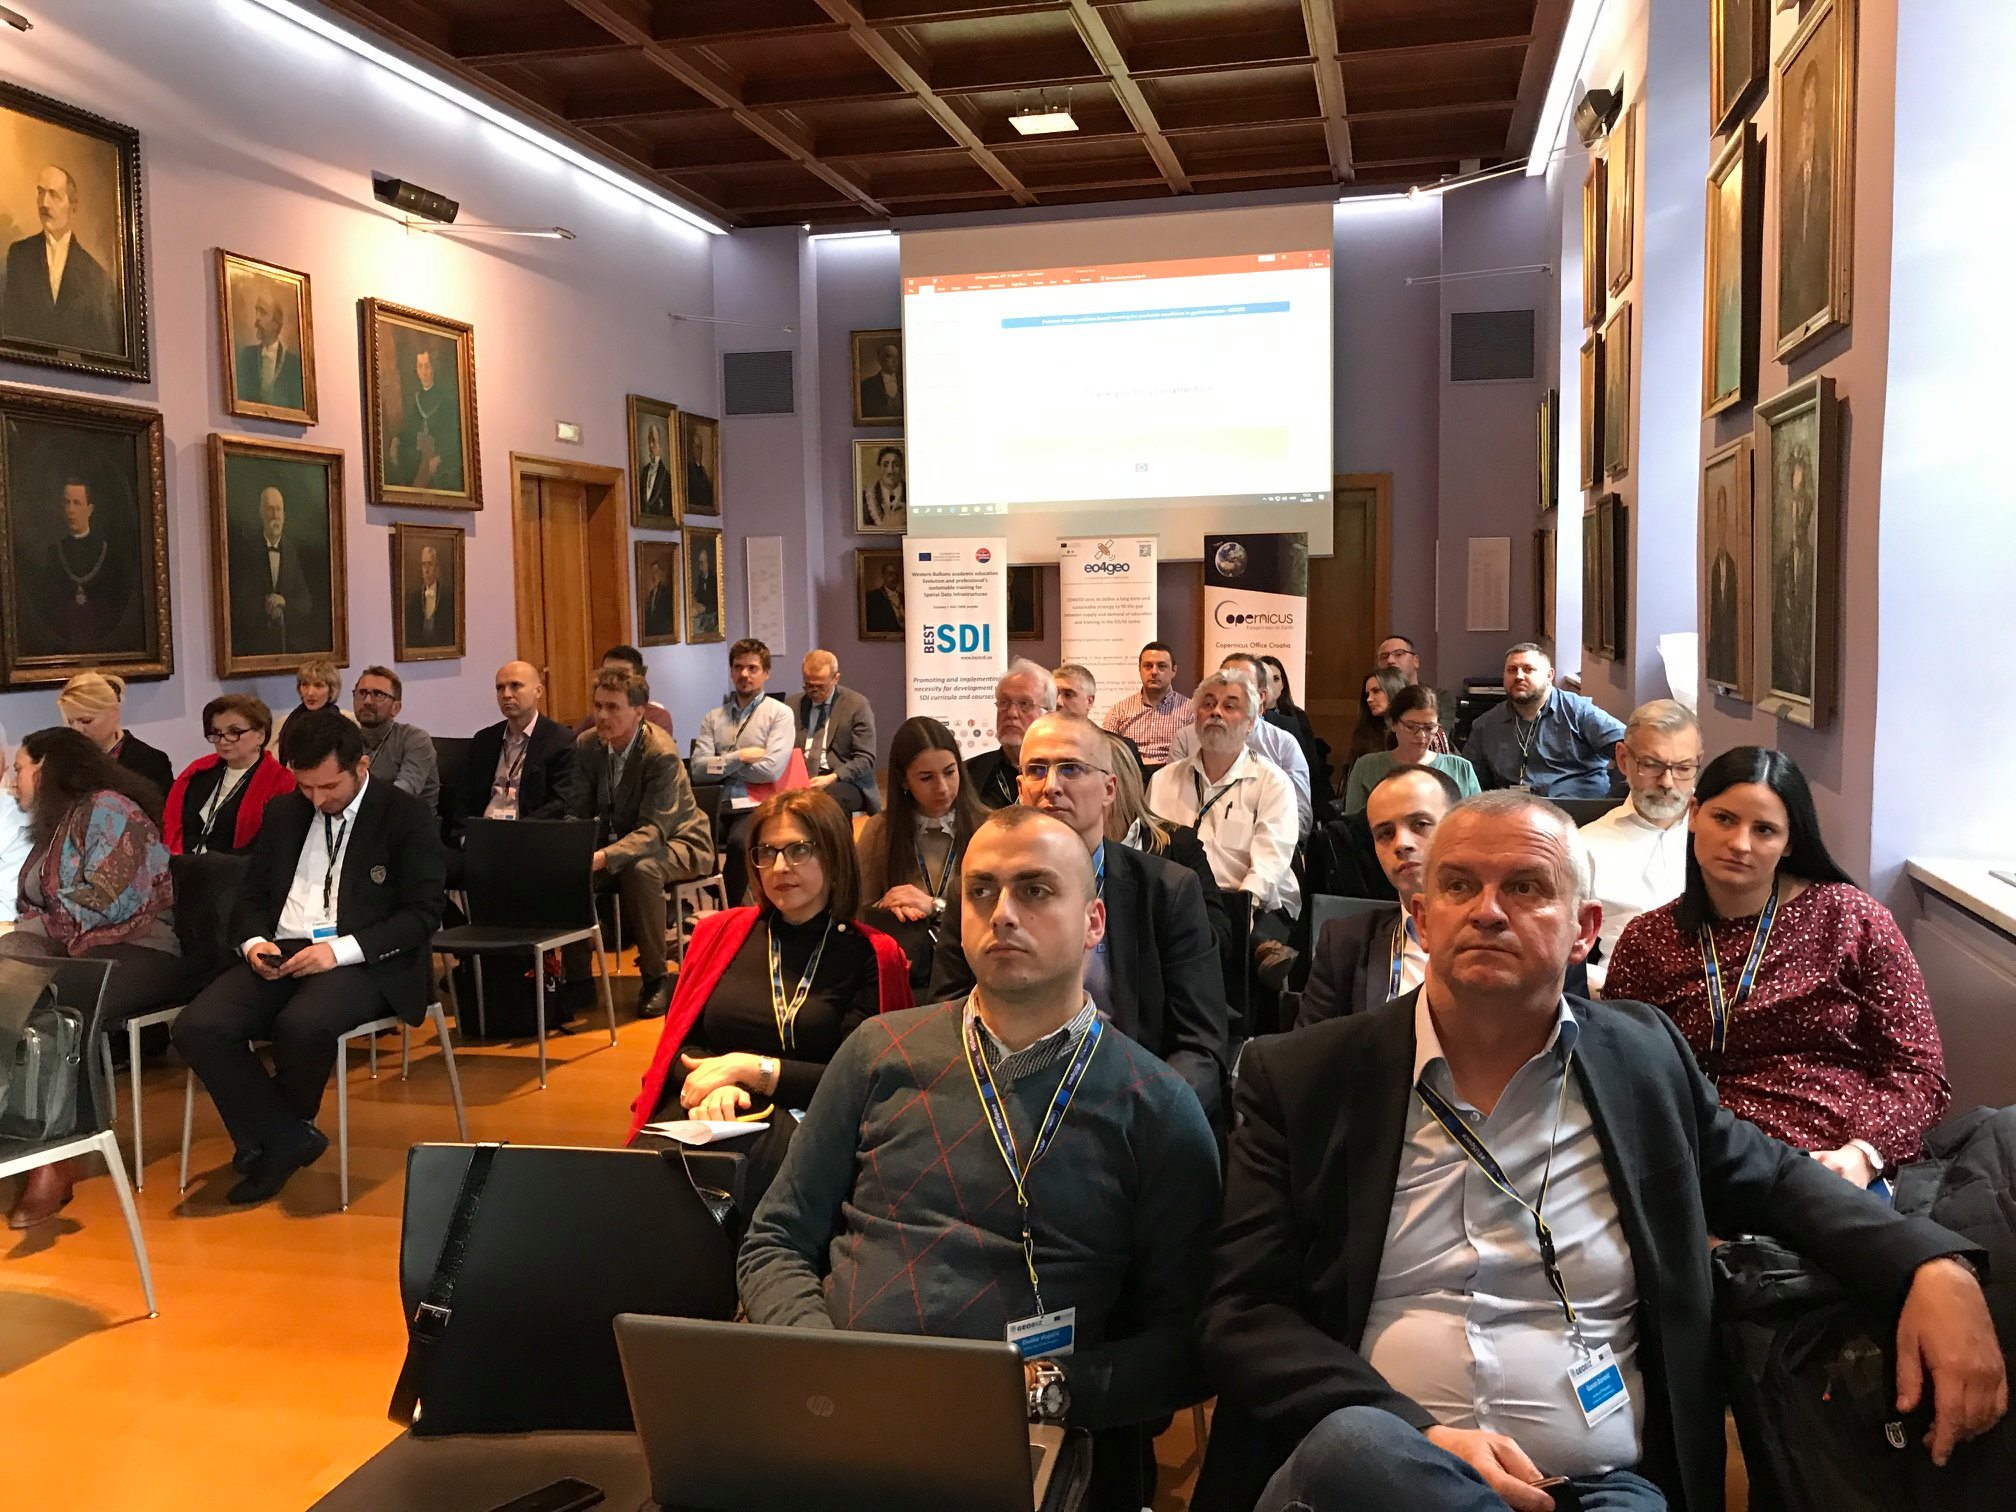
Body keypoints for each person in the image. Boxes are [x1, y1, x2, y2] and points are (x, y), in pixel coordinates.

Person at [1196, 791, 2006, 1512]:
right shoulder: (1304, 1076)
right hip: (1384, 1472)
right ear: (1421, 918)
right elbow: (1241, 1315)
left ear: (1585, 930)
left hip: (1600, 1483)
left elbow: (1772, 1179)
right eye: (1459, 886)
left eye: (1526, 887)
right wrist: (1419, 1434)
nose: (1487, 911)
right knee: (1357, 1448)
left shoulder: (1640, 1058)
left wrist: (1928, 1264)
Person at [739, 807, 1222, 1511]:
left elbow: (1190, 1341)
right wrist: (825, 1361)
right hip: (843, 1417)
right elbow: (776, 1240)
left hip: (1022, 1434)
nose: (1002, 914)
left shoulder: (1156, 1105)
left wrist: (1044, 1393)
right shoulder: (878, 1053)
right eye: (981, 891)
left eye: (1035, 890)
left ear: (1094, 922)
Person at [1603, 748, 1950, 1184]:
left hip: (1829, 1164)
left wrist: (1864, 1154)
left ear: (1789, 843)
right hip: (1698, 1161)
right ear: (1693, 814)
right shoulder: (1649, 940)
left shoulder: (1852, 920)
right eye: (1724, 819)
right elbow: (1614, 1072)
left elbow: (1919, 1071)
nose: (1740, 844)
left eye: (1764, 830)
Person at [171, 711, 446, 1206]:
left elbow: (423, 914)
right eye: (306, 787)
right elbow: (250, 895)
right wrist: (254, 943)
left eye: (329, 786)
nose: (317, 800)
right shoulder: (285, 812)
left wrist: (336, 952)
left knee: (301, 1025)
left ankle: (270, 1138)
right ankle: (286, 1137)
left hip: (362, 956)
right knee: (198, 1027)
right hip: (283, 949)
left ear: (361, 766)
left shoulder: (404, 815)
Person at [932, 713, 1230, 1126]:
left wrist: (1148, 1121)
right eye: (1036, 770)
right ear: (1020, 789)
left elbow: (1199, 1046)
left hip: (1134, 1106)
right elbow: (947, 1015)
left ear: (1109, 789)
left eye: (1071, 768)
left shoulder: (1168, 891)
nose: (1051, 786)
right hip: (1004, 1104)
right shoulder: (978, 888)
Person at [625, 789, 912, 1149]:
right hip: (709, 1105)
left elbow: (859, 1079)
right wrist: (722, 1083)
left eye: (798, 850)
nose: (779, 868)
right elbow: (679, 1046)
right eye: (766, 852)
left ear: (834, 856)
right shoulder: (719, 933)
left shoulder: (871, 954)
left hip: (811, 1119)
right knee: (639, 1171)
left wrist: (748, 1070)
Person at [2, 728, 182, 1228]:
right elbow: (34, 905)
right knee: (9, 972)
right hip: (74, 943)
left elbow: (108, 901)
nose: (13, 781)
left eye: (19, 769)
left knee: (54, 1005)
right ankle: (18, 1134)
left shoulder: (109, 809)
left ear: (47, 768)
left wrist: (33, 926)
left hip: (138, 946)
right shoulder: (56, 819)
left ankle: (56, 1158)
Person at [563, 668, 714, 1022]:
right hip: (619, 843)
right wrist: (571, 848)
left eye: (613, 707)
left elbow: (654, 831)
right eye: (598, 706)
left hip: (680, 840)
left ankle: (656, 978)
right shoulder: (587, 745)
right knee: (568, 870)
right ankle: (579, 979)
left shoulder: (660, 752)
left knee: (641, 869)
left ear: (638, 712)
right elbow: (577, 810)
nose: (602, 716)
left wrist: (602, 857)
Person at [1147, 669, 1300, 936]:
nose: (1216, 712)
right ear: (1196, 718)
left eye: (1229, 706)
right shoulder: (1164, 780)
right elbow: (1148, 849)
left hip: (1250, 902)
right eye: (1207, 704)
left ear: (1250, 723)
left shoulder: (1273, 782)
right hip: (1178, 902)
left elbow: (1271, 859)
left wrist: (1246, 906)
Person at [854, 716, 984, 990]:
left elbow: (996, 910)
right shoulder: (880, 830)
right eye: (926, 778)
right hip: (908, 971)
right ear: (904, 781)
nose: (942, 788)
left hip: (975, 969)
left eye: (950, 772)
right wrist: (888, 908)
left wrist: (935, 906)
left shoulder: (987, 826)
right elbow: (857, 915)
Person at [1579, 700, 1699, 992]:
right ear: (1623, 760)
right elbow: (1559, 947)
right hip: (1624, 997)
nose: (1667, 782)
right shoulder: (1585, 845)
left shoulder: (1722, 837)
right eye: (1651, 765)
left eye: (1683, 767)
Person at [691, 638, 797, 905]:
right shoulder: (713, 717)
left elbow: (770, 770)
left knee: (740, 844)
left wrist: (720, 765)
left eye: (752, 668)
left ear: (766, 672)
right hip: (716, 803)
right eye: (738, 667)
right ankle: (700, 899)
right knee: (687, 839)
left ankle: (726, 908)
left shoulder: (779, 714)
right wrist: (740, 757)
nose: (744, 675)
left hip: (755, 805)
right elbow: (698, 769)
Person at [1167, 652, 1313, 835]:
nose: (1230, 686)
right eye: (1223, 679)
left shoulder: (1283, 745)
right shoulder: (1185, 739)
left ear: (1261, 697)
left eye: (1242, 683)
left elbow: (1300, 817)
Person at [1465, 642, 1626, 798]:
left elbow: (1629, 748)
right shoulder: (1486, 725)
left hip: (1577, 810)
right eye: (1512, 670)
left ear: (1549, 675)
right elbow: (1470, 781)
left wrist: (1613, 800)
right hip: (1516, 810)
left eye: (1528, 669)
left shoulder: (1579, 712)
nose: (1519, 676)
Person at [1, 164, 118, 353]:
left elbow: (104, 349)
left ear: (73, 208)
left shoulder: (96, 277)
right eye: (41, 192)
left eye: (54, 195)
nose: (44, 203)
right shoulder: (19, 255)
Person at [163, 695, 294, 856]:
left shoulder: (281, 781)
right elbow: (173, 828)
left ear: (260, 735)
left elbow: (271, 846)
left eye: (234, 732)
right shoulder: (198, 771)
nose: (223, 741)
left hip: (238, 868)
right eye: (216, 733)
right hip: (184, 865)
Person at [454, 661, 575, 834]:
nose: (506, 694)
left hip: (528, 834)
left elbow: (560, 803)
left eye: (515, 686)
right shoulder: (484, 740)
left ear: (538, 691)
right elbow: (464, 798)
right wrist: (464, 836)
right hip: (484, 833)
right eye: (500, 688)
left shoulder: (560, 740)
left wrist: (515, 834)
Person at [1343, 686, 1480, 812]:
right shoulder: (1366, 767)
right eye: (1410, 727)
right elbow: (1354, 823)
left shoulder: (1460, 768)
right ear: (1393, 724)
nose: (1421, 736)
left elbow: (1476, 820)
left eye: (1429, 728)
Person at [38, 476, 131, 651]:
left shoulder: (108, 553)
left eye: (77, 503)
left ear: (89, 509)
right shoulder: (54, 553)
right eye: (67, 503)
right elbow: (47, 605)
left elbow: (116, 603)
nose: (71, 510)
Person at [787, 650, 881, 816]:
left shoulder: (856, 705)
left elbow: (865, 759)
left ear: (836, 678)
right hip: (802, 777)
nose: (814, 691)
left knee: (829, 800)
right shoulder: (792, 705)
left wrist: (832, 777)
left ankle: (838, 836)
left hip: (844, 779)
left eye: (821, 687)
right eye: (808, 685)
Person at [230, 483, 316, 657]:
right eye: (270, 509)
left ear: (284, 515)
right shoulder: (247, 552)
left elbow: (305, 604)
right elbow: (238, 604)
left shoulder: (292, 553)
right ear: (261, 512)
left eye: (279, 510)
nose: (275, 515)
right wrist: (266, 606)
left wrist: (284, 602)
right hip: (254, 648)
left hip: (289, 647)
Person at [57, 671, 171, 798]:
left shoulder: (151, 763)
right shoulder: (67, 765)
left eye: (86, 721)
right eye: (70, 722)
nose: (77, 729)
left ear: (114, 712)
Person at [965, 659, 1054, 810]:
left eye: (1025, 704)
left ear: (1048, 715)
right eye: (1004, 702)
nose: (1012, 713)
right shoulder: (969, 773)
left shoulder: (1064, 774)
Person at [351, 666, 439, 810]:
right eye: (362, 693)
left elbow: (402, 793)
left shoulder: (416, 739)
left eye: (378, 694)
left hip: (408, 819)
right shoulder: (348, 737)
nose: (367, 701)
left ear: (396, 707)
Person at [1101, 640, 1192, 770]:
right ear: (1139, 669)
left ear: (1174, 670)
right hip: (1132, 775)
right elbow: (1105, 750)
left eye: (1161, 666)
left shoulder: (1190, 711)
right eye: (1148, 666)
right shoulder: (1119, 711)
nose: (1154, 672)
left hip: (1173, 776)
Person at [1256, 653, 1333, 795]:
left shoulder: (1297, 717)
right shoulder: (1246, 716)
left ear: (1283, 684)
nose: (1270, 684)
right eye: (1265, 679)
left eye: (1276, 679)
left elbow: (1309, 764)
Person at [393, 346, 462, 492]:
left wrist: (440, 458)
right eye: (420, 367)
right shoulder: (417, 398)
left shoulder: (445, 398)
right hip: (420, 455)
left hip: (441, 459)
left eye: (427, 366)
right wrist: (396, 440)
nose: (424, 372)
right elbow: (410, 429)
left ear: (433, 368)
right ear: (416, 371)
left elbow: (454, 438)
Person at [1374, 634, 1455, 753]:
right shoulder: (1375, 699)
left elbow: (1433, 740)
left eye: (1398, 654)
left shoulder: (1440, 697)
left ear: (1415, 661)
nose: (1390, 660)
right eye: (1384, 657)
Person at [571, 646, 674, 739]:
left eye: (621, 675)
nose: (612, 680)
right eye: (606, 674)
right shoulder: (594, 720)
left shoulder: (657, 718)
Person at [233, 280, 305, 410]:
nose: (257, 318)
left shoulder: (293, 364)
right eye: (256, 311)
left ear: (276, 322)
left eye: (263, 312)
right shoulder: (246, 356)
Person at [273, 658, 356, 760]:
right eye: (305, 684)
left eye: (318, 686)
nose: (310, 693)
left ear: (331, 690)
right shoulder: (292, 720)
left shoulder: (339, 725)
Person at [1344, 668, 1408, 772]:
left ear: (1393, 689)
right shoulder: (1365, 732)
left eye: (1376, 691)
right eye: (1367, 695)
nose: (1369, 699)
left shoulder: (1413, 729)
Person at [402, 541, 454, 648]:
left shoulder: (447, 597)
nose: (426, 570)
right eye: (423, 564)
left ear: (437, 567)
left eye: (430, 564)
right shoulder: (414, 597)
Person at [858, 444, 905, 530]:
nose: (890, 471)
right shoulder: (864, 498)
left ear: (902, 468)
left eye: (896, 465)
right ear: (879, 468)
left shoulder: (914, 496)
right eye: (885, 465)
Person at [857, 336, 902, 420]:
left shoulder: (906, 382)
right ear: (879, 359)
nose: (895, 361)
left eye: (896, 357)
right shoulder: (867, 385)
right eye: (889, 356)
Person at [636, 420, 672, 520]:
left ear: (660, 445)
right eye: (649, 440)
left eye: (654, 441)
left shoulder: (666, 476)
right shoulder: (644, 471)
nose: (651, 446)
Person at [862, 559, 904, 635]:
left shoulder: (904, 597)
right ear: (883, 576)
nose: (894, 577)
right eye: (890, 574)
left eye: (896, 574)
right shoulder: (872, 597)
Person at [640, 558, 674, 639]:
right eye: (653, 572)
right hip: (652, 630)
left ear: (661, 572)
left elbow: (666, 612)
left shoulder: (666, 590)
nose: (654, 575)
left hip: (662, 630)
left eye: (656, 571)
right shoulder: (652, 592)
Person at [684, 423, 715, 512]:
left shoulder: (703, 470)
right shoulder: (688, 470)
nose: (699, 451)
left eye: (701, 447)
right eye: (697, 447)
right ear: (692, 449)